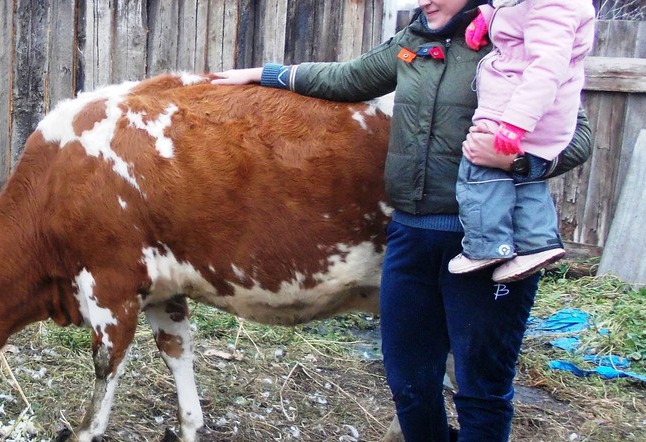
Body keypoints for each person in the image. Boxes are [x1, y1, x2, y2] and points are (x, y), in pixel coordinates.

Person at [211, 0, 593, 441]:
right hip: (411, 236)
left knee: (480, 387)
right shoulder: (414, 41)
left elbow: (577, 136)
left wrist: (518, 162)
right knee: (409, 381)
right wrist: (267, 75)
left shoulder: (513, 41)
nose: (422, 1)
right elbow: (347, 78)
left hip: (489, 243)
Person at [448, 0, 596, 283]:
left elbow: (546, 68)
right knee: (522, 180)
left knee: (478, 163)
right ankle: (537, 244)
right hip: (536, 111)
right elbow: (521, 21)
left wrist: (516, 122)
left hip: (519, 108)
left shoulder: (553, 5)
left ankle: (486, 246)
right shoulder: (542, 5)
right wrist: (489, 18)